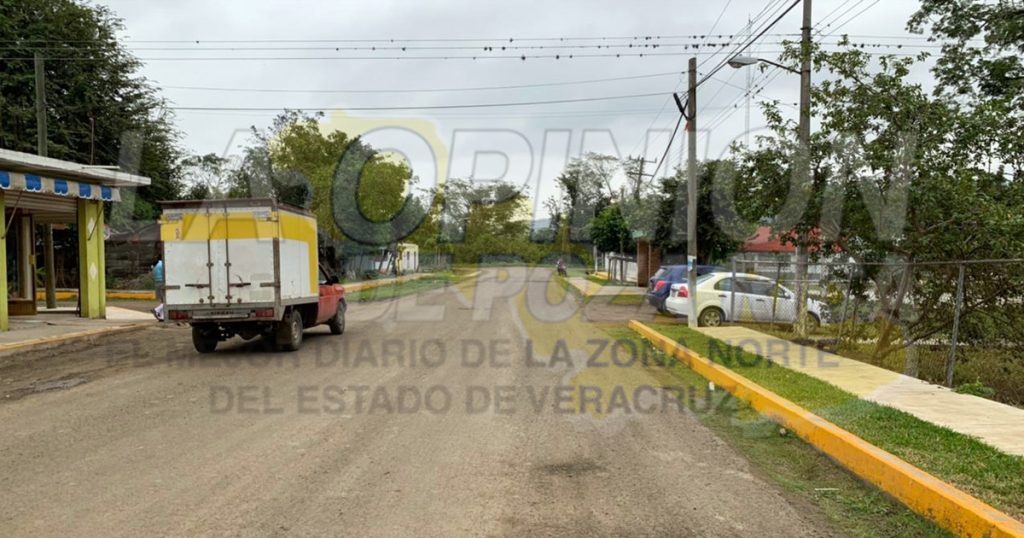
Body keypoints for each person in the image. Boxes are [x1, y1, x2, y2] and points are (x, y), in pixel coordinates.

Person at [152, 255, 165, 321]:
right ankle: (157, 310)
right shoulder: (162, 264)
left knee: (163, 300)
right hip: (162, 283)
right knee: (166, 301)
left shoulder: (155, 265)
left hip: (157, 283)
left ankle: (162, 316)